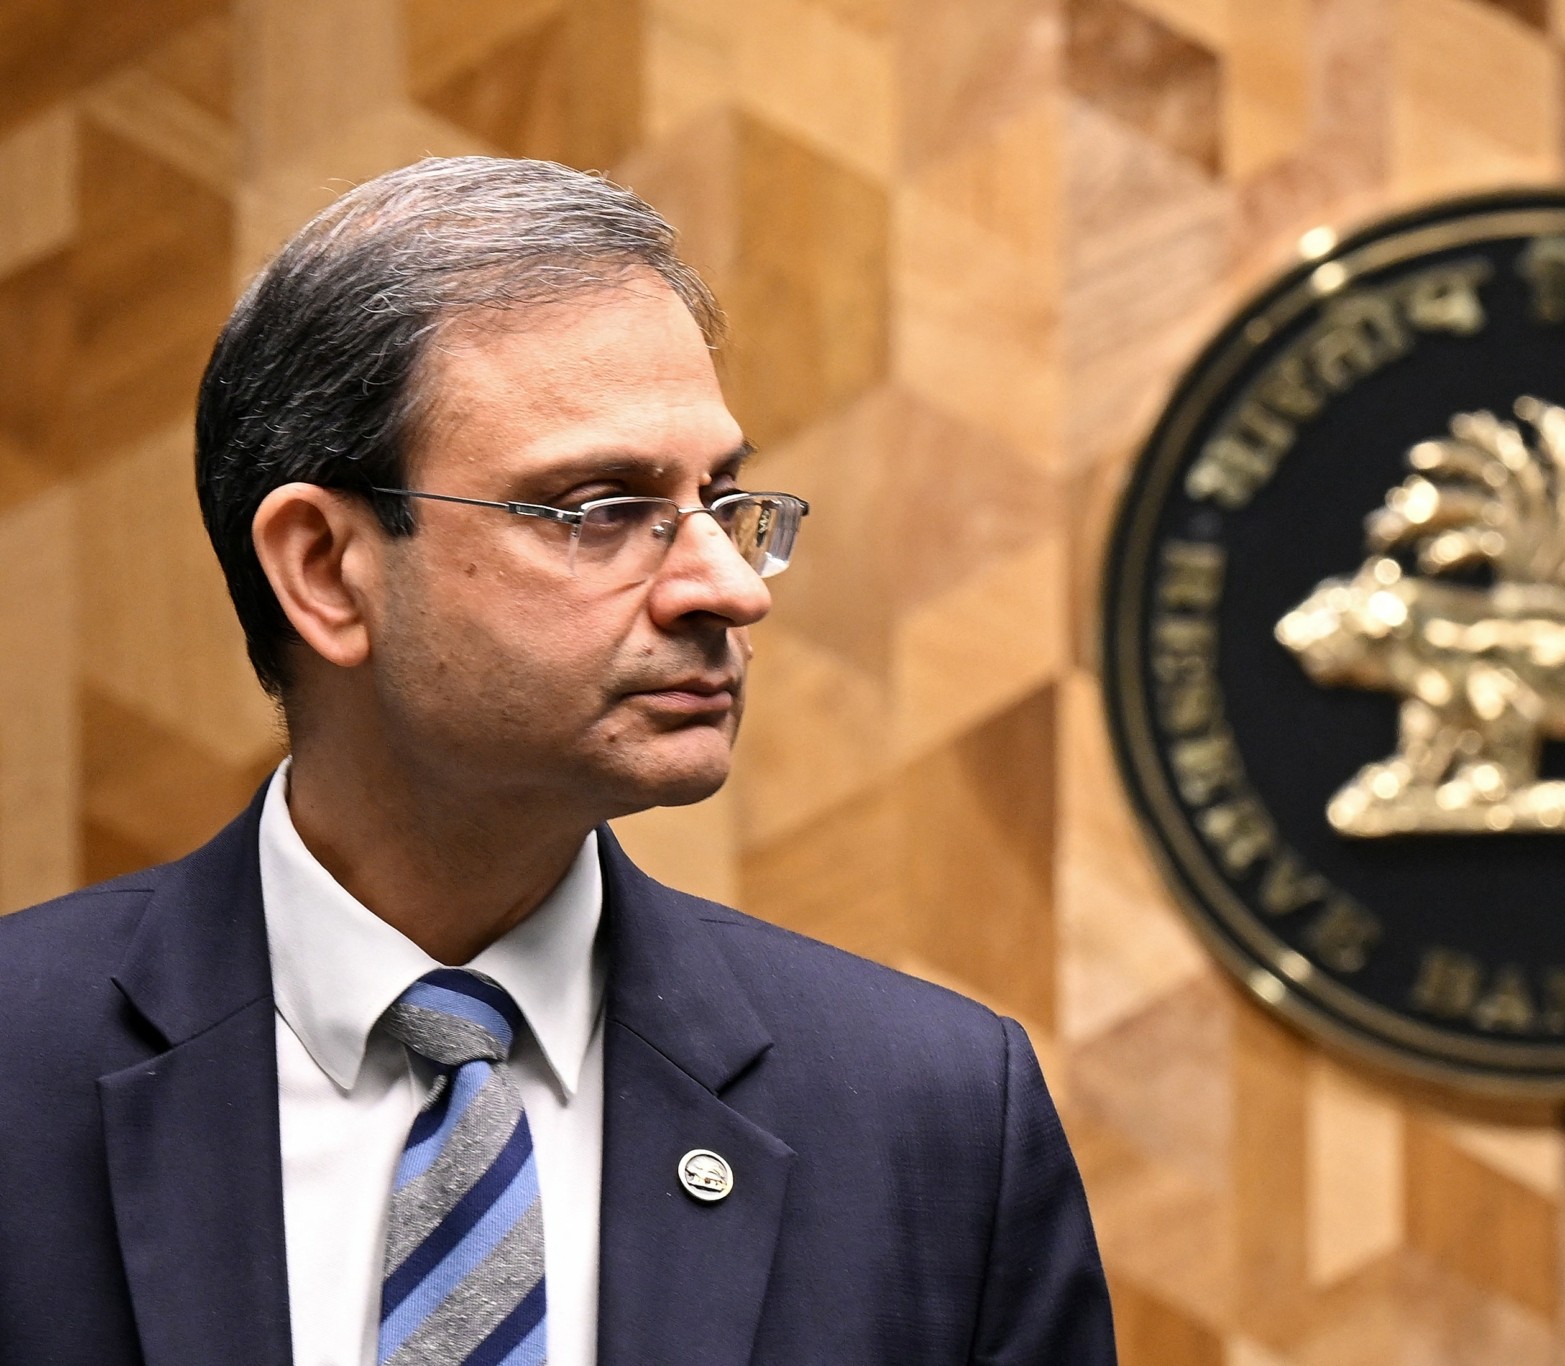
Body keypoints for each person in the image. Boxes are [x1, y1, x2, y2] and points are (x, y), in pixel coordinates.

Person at [0, 157, 1115, 1365]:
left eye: (722, 499)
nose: (727, 586)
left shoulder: (931, 1116)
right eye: (601, 508)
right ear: (324, 569)